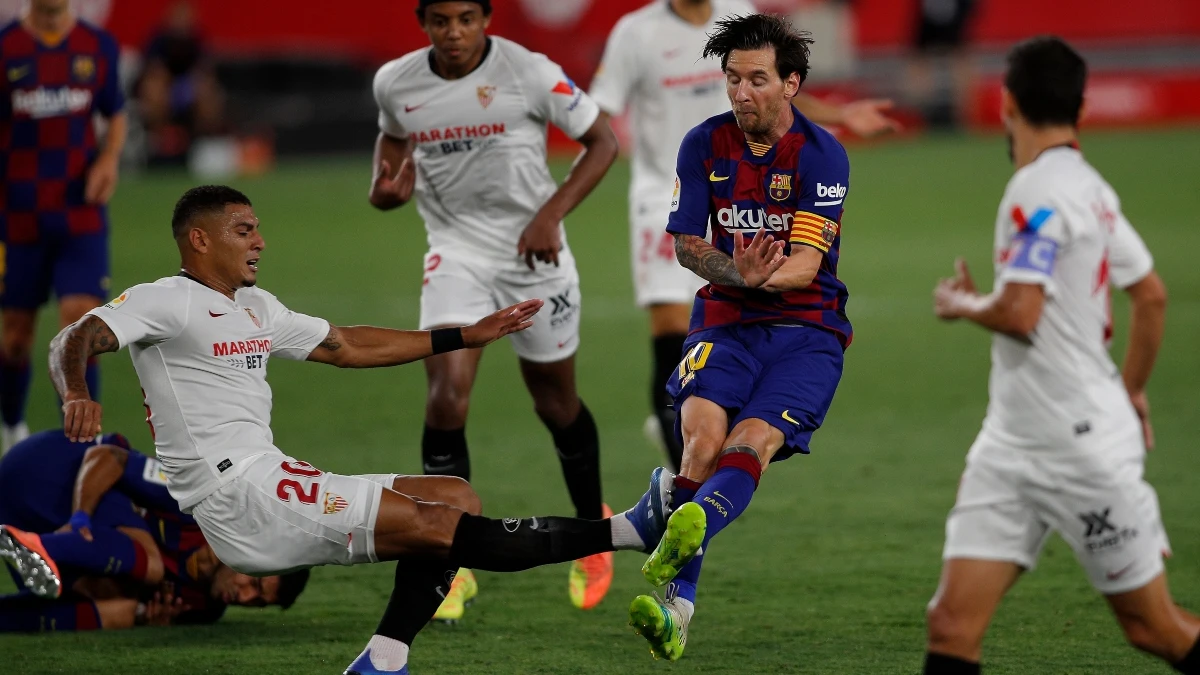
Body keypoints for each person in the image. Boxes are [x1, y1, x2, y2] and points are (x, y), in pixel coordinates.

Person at [45, 185, 678, 674]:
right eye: (244, 230)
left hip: (269, 474)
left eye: (259, 228)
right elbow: (76, 338)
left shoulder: (256, 308)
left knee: (453, 497)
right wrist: (75, 389)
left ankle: (383, 657)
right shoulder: (167, 299)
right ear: (199, 241)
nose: (260, 241)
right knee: (440, 529)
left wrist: (467, 333)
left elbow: (347, 344)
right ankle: (625, 530)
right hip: (236, 496)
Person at [923, 36, 1200, 675]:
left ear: (1007, 102)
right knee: (951, 625)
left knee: (1154, 629)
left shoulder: (1034, 191)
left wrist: (963, 305)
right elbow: (1151, 296)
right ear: (1081, 107)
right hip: (1012, 443)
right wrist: (1130, 391)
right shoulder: (1090, 187)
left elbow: (1021, 314)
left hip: (1078, 448)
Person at [368, 0, 621, 614]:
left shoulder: (529, 70)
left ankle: (595, 532)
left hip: (536, 256)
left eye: (466, 19)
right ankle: (447, 555)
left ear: (486, 20)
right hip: (455, 255)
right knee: (446, 396)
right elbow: (391, 149)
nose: (454, 33)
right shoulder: (395, 83)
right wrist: (383, 191)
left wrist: (549, 214)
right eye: (441, 21)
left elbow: (603, 141)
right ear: (423, 22)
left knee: (555, 402)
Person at [618, 14, 853, 661]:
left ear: (791, 83)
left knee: (753, 438)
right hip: (723, 318)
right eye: (731, 78)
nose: (740, 92)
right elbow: (688, 244)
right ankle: (677, 611)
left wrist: (762, 276)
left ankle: (682, 560)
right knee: (699, 442)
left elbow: (806, 265)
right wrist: (733, 273)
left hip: (807, 329)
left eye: (756, 79)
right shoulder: (702, 144)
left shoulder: (821, 154)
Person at [590, 0, 896, 472]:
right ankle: (684, 456)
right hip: (662, 193)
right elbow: (598, 114)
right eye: (732, 79)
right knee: (671, 335)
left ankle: (697, 437)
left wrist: (839, 116)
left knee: (729, 323)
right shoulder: (636, 32)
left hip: (746, 182)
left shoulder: (737, 14)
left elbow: (776, 87)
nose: (739, 89)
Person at [0, 429, 308, 631]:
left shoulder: (203, 608)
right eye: (254, 585)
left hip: (28, 518)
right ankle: (41, 548)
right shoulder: (204, 504)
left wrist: (146, 619)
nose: (244, 598)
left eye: (258, 603)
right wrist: (80, 518)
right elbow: (107, 456)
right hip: (48, 467)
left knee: (122, 608)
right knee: (151, 567)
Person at [0, 0, 127, 451]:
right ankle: (12, 429)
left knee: (79, 326)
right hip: (17, 218)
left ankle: (78, 446)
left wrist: (109, 159)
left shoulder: (98, 46)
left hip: (81, 215)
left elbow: (115, 112)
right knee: (15, 338)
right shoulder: (7, 47)